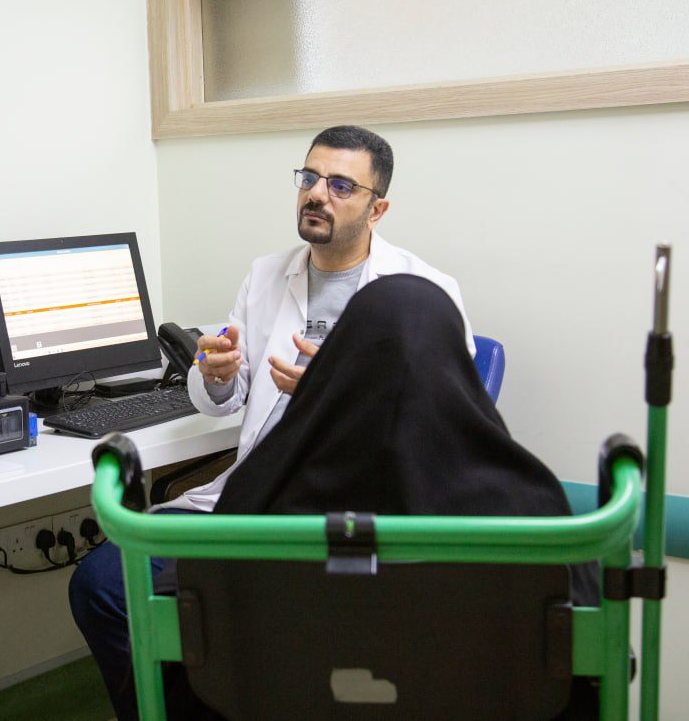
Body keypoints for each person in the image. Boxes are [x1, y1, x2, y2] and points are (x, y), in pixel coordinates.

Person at [70, 125, 475, 719]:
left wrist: (336, 397)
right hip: (248, 501)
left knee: (272, 613)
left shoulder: (423, 293)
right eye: (309, 177)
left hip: (348, 509)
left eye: (341, 185)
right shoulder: (265, 276)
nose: (317, 193)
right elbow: (225, 400)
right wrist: (216, 374)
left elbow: (445, 429)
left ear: (377, 208)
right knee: (103, 585)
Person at [209, 275, 598, 718]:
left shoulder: (258, 499)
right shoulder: (537, 521)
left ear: (338, 370)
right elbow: (589, 667)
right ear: (455, 375)